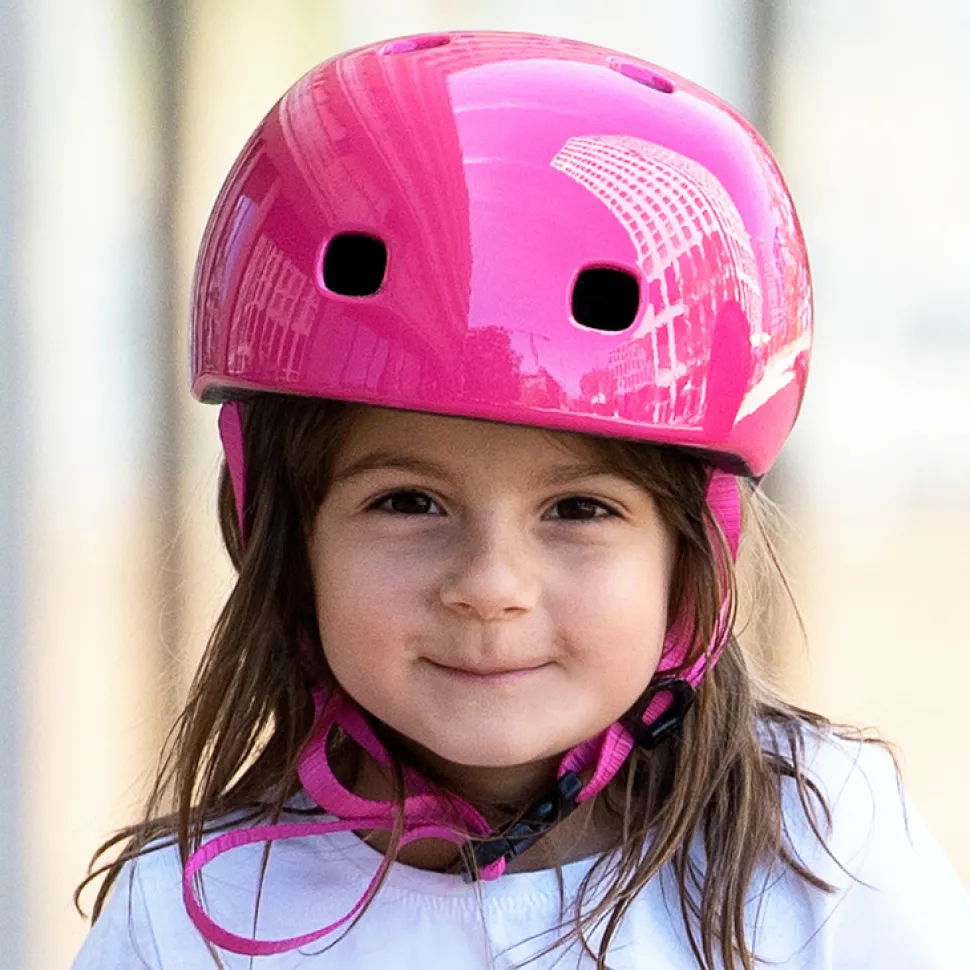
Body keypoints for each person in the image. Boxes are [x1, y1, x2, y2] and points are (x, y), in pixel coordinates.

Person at [70, 30, 970, 970]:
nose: (490, 586)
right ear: (290, 537)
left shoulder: (822, 858)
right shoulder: (190, 918)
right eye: (408, 502)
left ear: (691, 553)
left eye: (578, 510)